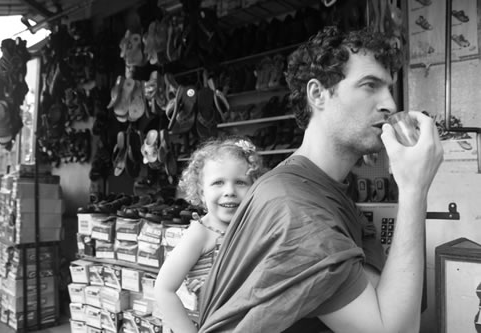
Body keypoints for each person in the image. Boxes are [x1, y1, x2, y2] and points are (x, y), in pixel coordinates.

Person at [198, 26, 444, 333]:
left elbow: (385, 300)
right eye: (370, 86)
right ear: (317, 94)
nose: (390, 105)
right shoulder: (293, 207)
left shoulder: (321, 189)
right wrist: (414, 188)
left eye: (390, 89)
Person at [154, 136, 266, 333]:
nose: (229, 191)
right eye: (218, 183)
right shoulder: (200, 233)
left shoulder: (253, 227)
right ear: (202, 192)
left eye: (241, 182)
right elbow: (164, 289)